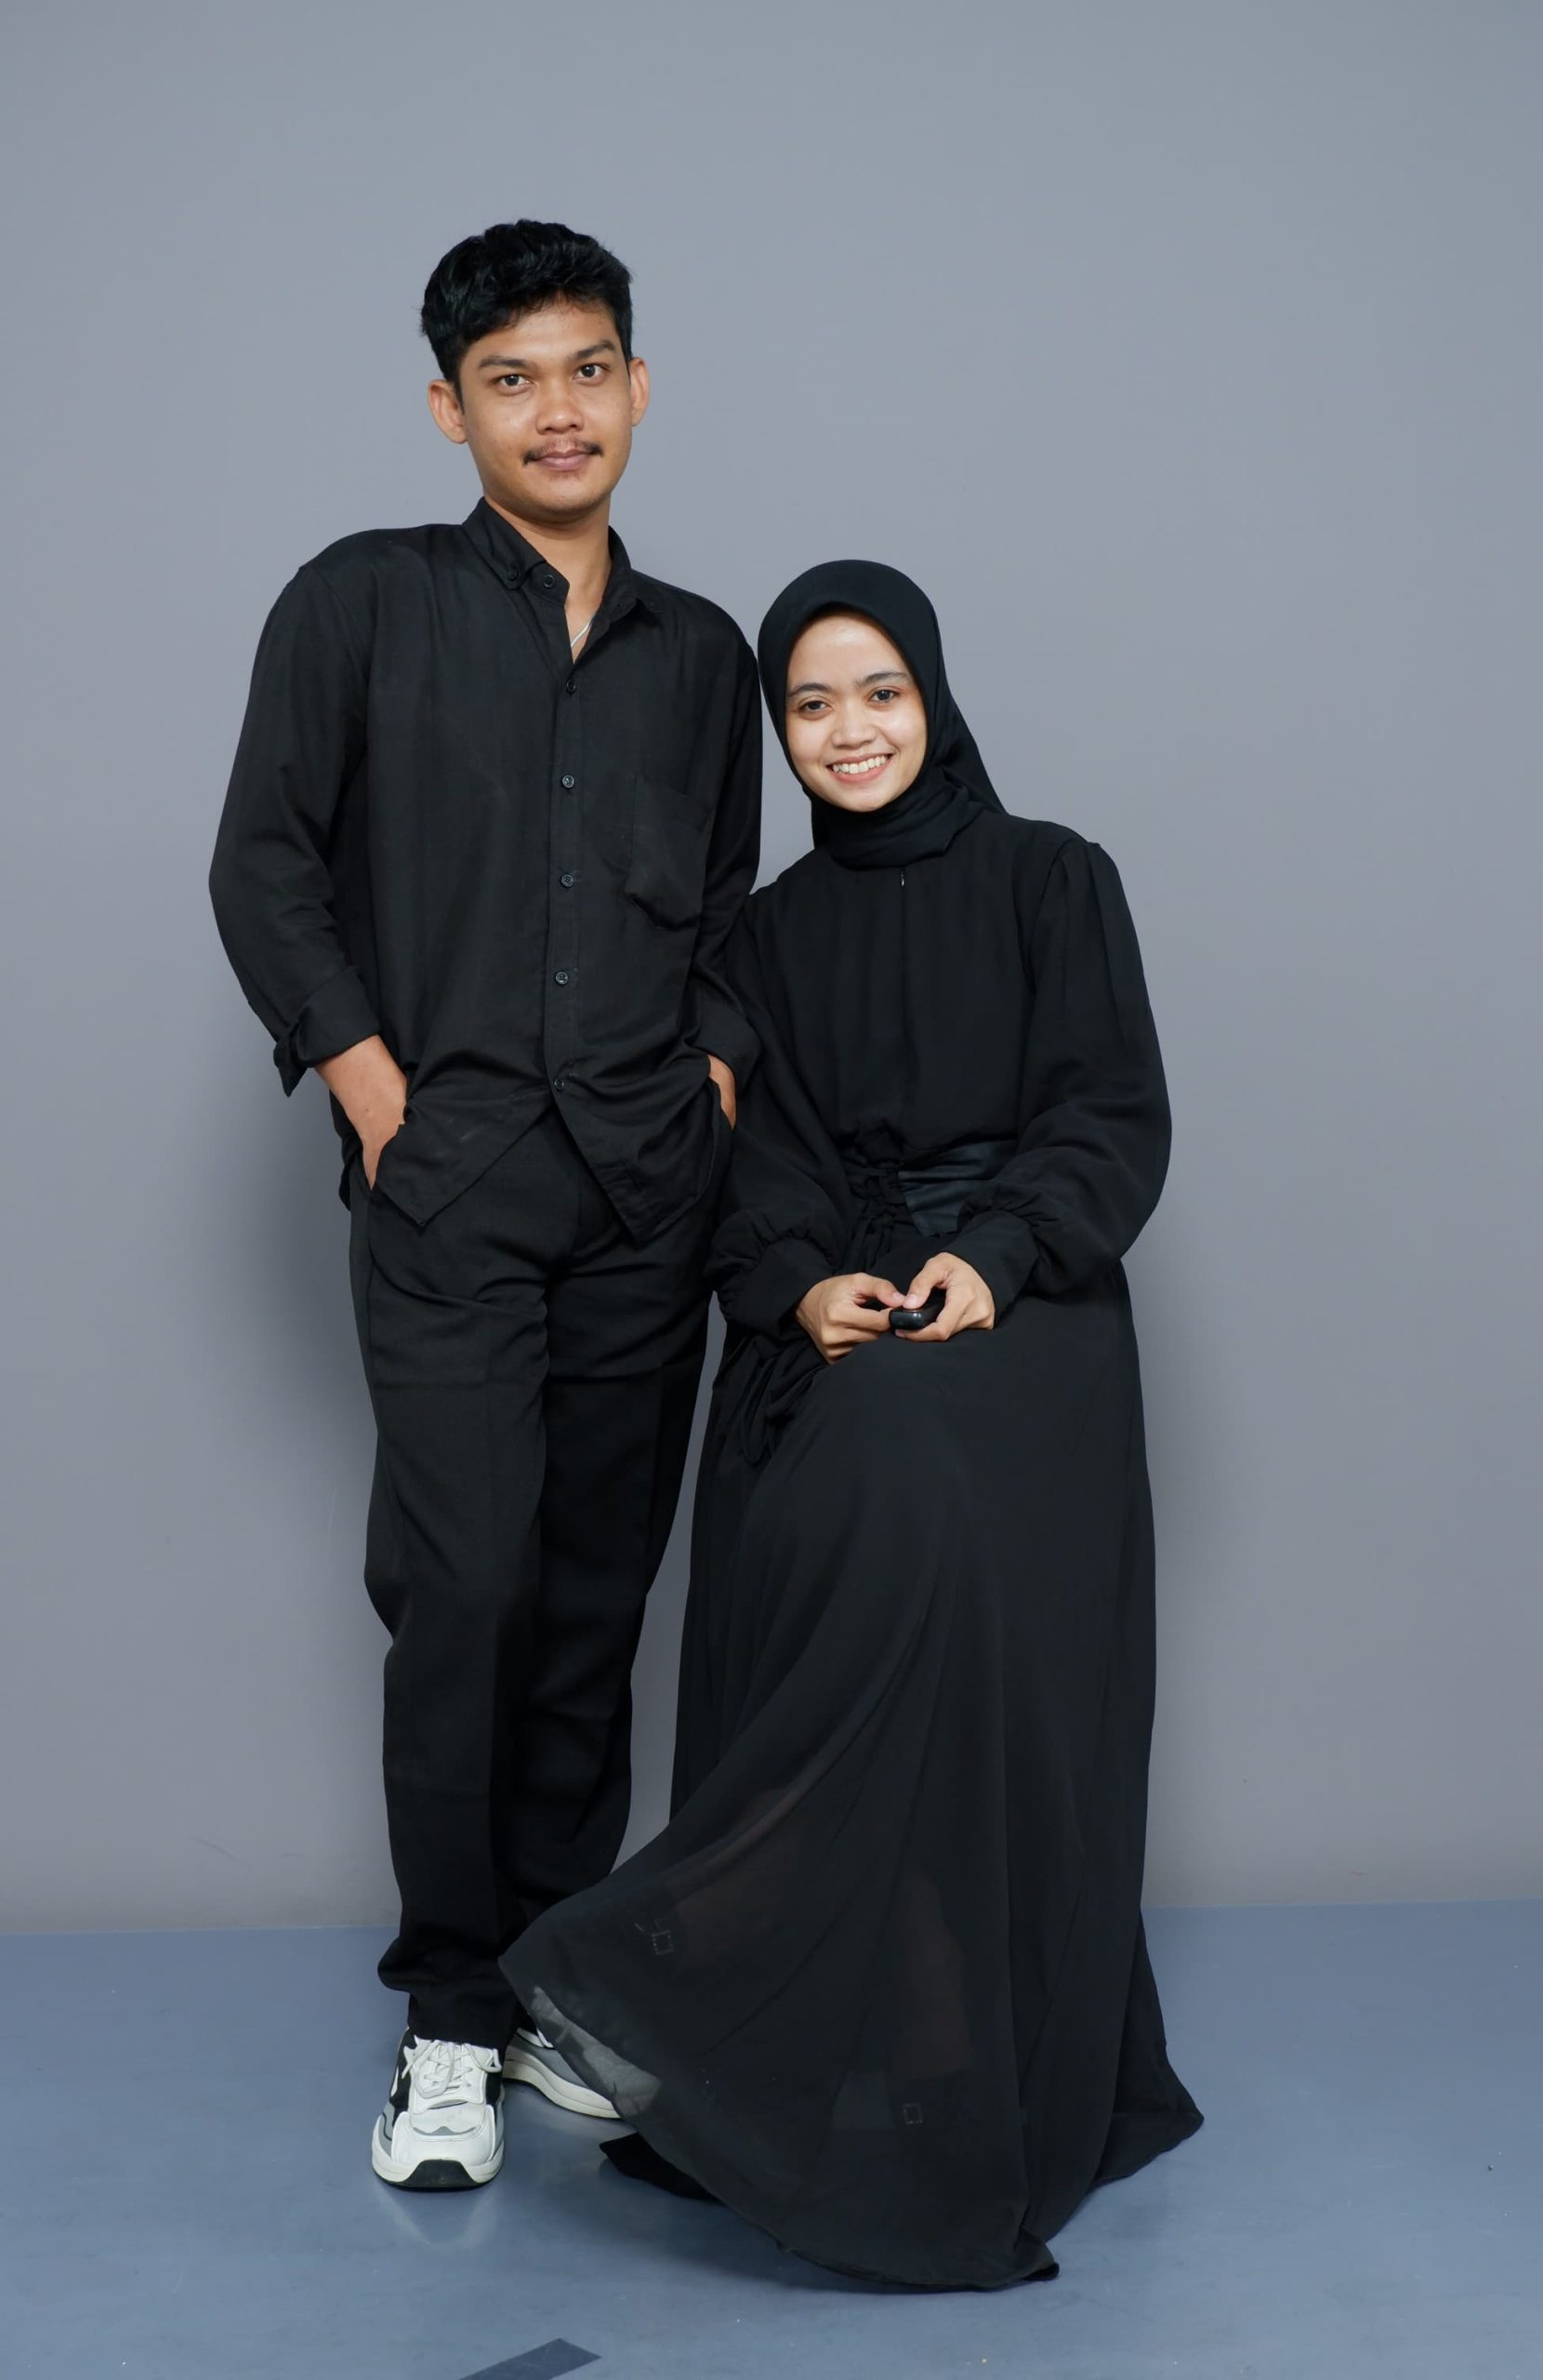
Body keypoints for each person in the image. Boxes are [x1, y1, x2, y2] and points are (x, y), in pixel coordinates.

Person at [501, 561, 1203, 2288]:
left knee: (910, 1468)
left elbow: (1109, 1115)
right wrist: (802, 1288)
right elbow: (756, 1171)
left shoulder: (1054, 879)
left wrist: (997, 1253)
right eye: (809, 704)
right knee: (851, 1453)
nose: (848, 730)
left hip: (1028, 1307)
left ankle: (670, 1949)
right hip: (839, 1306)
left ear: (933, 697)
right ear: (781, 731)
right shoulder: (763, 938)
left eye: (878, 691)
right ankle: (827, 2020)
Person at [208, 220, 760, 2190]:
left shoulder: (703, 654)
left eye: (586, 368)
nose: (557, 409)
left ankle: (551, 1986)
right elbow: (264, 865)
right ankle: (448, 2015)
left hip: (644, 1189)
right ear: (449, 410)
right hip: (445, 1183)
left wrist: (710, 1076)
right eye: (510, 379)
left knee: (595, 1602)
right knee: (466, 1590)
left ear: (638, 387)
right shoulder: (358, 602)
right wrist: (371, 1088)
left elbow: (727, 907)